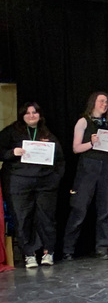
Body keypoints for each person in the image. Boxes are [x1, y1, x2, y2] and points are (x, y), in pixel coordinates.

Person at [0, 103, 64, 267]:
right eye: (27, 113)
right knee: (22, 219)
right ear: (22, 115)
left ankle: (48, 252)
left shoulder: (47, 133)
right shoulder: (11, 132)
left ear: (39, 115)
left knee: (46, 219)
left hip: (45, 184)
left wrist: (55, 179)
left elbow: (59, 159)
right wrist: (12, 153)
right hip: (18, 183)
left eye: (34, 112)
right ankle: (28, 254)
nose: (31, 115)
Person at [64, 92, 108, 260]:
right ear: (93, 103)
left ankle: (102, 247)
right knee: (79, 209)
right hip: (87, 167)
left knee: (104, 209)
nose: (104, 104)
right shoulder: (83, 121)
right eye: (101, 101)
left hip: (105, 167)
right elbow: (76, 148)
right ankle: (68, 249)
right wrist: (91, 143)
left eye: (107, 102)